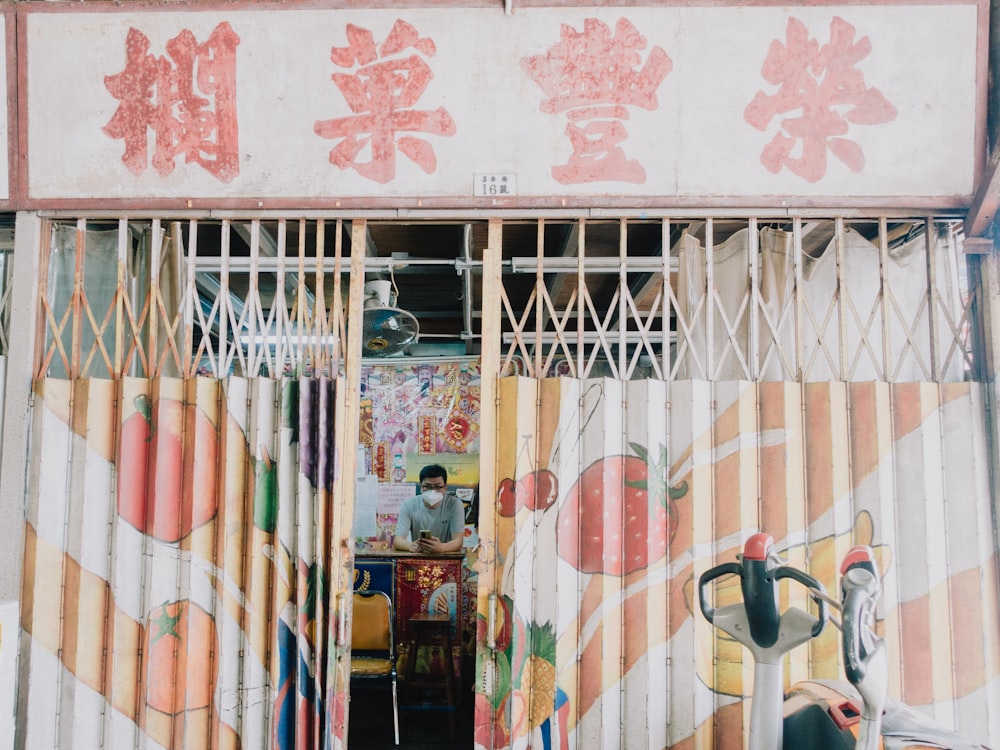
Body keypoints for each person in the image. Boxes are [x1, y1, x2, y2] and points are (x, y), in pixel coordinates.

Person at [393, 464, 465, 554]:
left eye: (438, 487)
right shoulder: (408, 504)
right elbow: (397, 541)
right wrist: (411, 546)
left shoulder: (455, 504)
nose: (433, 491)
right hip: (419, 557)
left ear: (445, 487)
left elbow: (458, 541)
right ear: (421, 488)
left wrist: (441, 547)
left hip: (446, 558)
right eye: (427, 486)